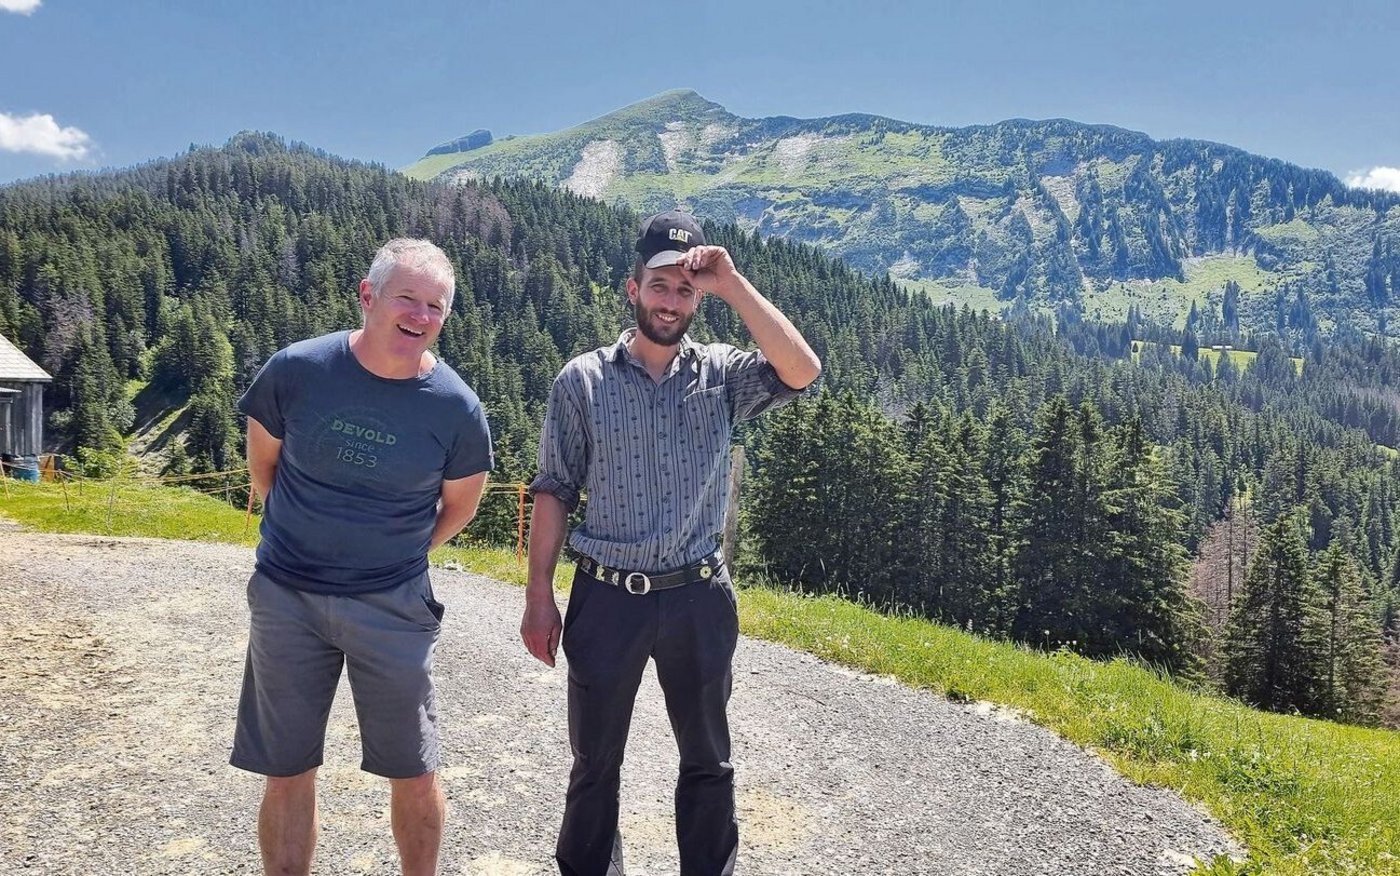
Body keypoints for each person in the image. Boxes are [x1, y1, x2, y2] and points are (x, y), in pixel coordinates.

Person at [521, 211, 822, 876]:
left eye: (685, 290)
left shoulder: (721, 374)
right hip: (606, 593)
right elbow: (554, 488)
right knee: (595, 764)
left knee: (709, 761)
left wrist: (734, 285)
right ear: (633, 289)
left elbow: (802, 370)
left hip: (698, 597)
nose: (670, 301)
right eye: (659, 285)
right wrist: (539, 594)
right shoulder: (583, 380)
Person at [232, 238, 493, 876]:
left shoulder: (456, 409)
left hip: (394, 603)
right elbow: (263, 468)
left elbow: (460, 506)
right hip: (286, 596)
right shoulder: (295, 370)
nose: (421, 315)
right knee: (287, 767)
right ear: (368, 295)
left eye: (436, 306)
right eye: (408, 297)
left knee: (414, 763)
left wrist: (401, 551)